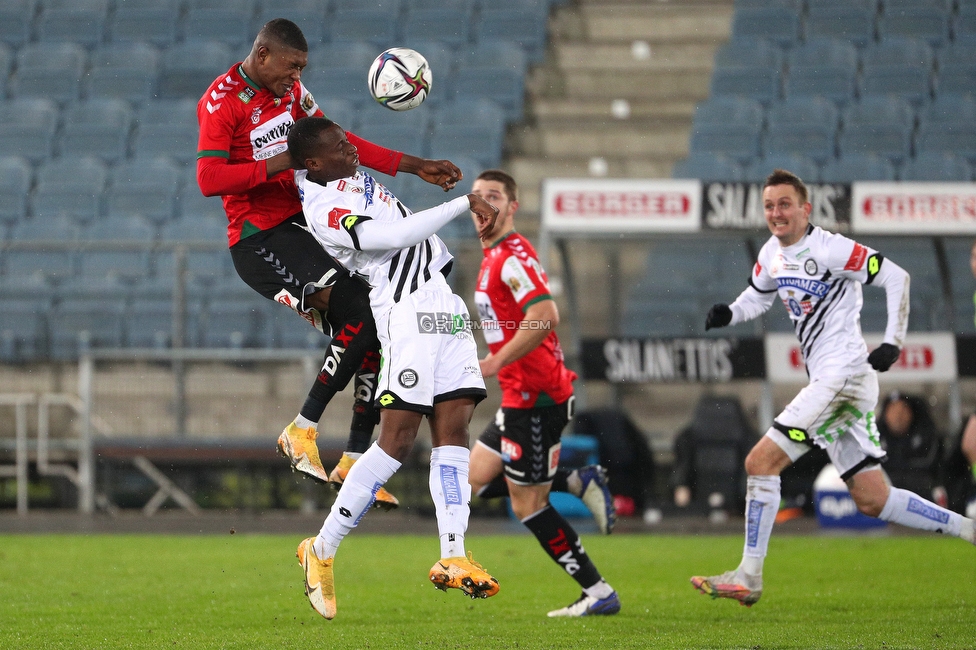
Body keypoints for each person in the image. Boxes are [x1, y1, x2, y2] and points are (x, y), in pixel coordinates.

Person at [195, 18, 462, 507]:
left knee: (377, 322)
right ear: (262, 54)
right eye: (291, 67)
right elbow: (209, 179)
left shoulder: (293, 94)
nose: (296, 77)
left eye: (302, 69)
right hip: (262, 237)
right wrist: (286, 160)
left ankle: (354, 459)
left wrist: (413, 164)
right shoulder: (222, 102)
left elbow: (338, 141)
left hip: (303, 227)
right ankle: (302, 429)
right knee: (363, 312)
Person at [691, 169, 976, 607]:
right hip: (838, 383)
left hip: (842, 377)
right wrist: (729, 313)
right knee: (872, 499)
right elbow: (759, 294)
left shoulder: (830, 248)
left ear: (806, 209)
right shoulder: (771, 253)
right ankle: (968, 529)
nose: (776, 213)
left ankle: (748, 575)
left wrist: (893, 343)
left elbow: (897, 276)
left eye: (785, 204)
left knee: (760, 461)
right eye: (769, 206)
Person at [286, 116, 501, 620]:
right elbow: (398, 233)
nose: (351, 149)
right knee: (398, 441)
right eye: (341, 146)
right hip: (404, 312)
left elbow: (338, 143)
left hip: (442, 305)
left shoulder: (345, 172)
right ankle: (320, 549)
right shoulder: (324, 208)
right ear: (314, 163)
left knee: (455, 431)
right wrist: (461, 202)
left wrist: (419, 166)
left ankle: (452, 554)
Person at [465, 170, 620, 618]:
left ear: (512, 206)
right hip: (520, 394)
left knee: (527, 505)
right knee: (473, 477)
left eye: (494, 196)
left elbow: (545, 314)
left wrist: (495, 362)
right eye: (477, 197)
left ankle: (598, 591)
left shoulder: (509, 257)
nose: (484, 204)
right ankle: (575, 480)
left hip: (535, 398)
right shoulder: (495, 255)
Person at [876, 391, 946, 505]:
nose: (898, 416)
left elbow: (929, 465)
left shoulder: (925, 435)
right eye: (893, 410)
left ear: (911, 413)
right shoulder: (876, 437)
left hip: (922, 495)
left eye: (903, 410)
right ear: (885, 414)